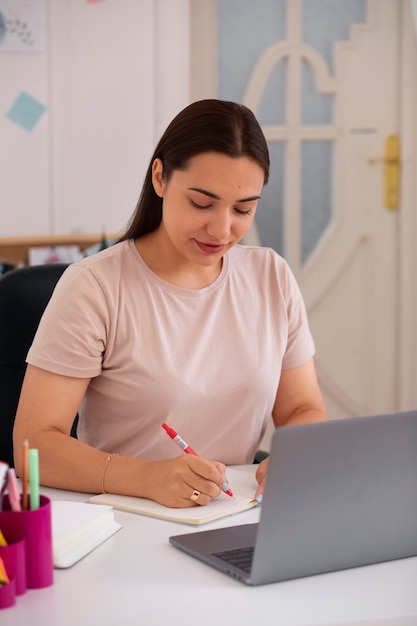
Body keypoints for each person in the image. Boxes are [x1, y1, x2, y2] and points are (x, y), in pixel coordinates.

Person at [13, 99, 327, 508]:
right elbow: (32, 445)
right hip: (125, 519)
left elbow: (303, 407)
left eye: (243, 209)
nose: (222, 228)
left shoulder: (271, 276)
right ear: (160, 178)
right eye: (201, 203)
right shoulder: (95, 286)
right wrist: (148, 478)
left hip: (234, 513)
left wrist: (295, 452)